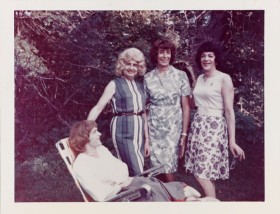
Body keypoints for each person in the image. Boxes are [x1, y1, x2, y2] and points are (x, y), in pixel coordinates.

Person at [69, 120, 202, 202]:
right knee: (151, 189)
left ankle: (180, 195)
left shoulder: (102, 150)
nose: (100, 134)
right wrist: (119, 185)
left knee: (154, 183)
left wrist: (116, 179)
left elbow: (122, 168)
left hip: (130, 183)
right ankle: (180, 198)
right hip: (123, 194)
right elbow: (100, 195)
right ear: (85, 138)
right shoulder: (81, 165)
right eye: (95, 132)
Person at [184, 41, 245, 198]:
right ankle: (213, 201)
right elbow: (193, 104)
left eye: (210, 56)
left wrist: (232, 140)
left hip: (214, 127)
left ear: (216, 59)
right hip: (198, 126)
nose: (206, 59)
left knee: (201, 174)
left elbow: (229, 111)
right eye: (203, 56)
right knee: (206, 172)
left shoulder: (224, 78)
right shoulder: (199, 78)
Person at [87, 47, 150, 176]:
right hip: (123, 129)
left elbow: (143, 113)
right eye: (128, 64)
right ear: (122, 65)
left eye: (135, 65)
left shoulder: (140, 86)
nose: (131, 68)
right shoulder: (114, 84)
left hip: (139, 132)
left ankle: (131, 193)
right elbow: (99, 107)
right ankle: (142, 192)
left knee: (134, 166)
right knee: (136, 170)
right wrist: (86, 128)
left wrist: (147, 139)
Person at [144, 39, 192, 182]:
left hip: (173, 126)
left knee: (169, 164)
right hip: (154, 126)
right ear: (156, 55)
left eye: (168, 52)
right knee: (156, 163)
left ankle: (176, 196)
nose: (165, 56)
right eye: (161, 52)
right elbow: (144, 106)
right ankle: (163, 196)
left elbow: (186, 106)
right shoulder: (148, 77)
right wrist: (146, 135)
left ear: (171, 55)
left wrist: (184, 133)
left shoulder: (181, 76)